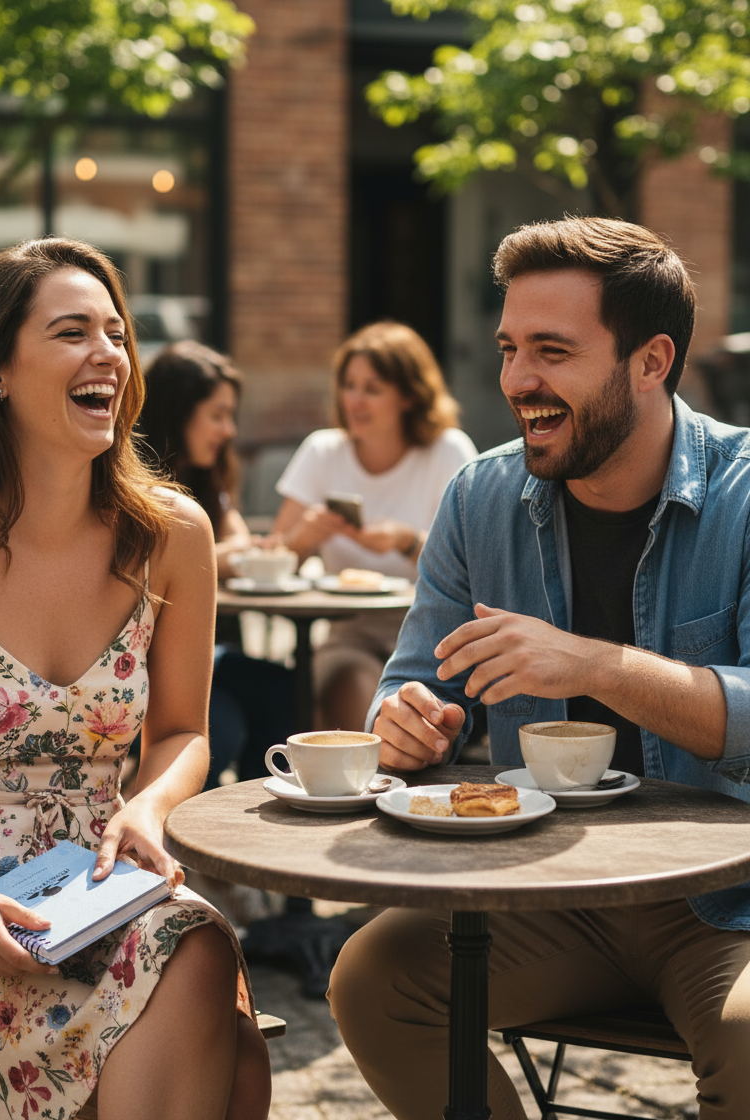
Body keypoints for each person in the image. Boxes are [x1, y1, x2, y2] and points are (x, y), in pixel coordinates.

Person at [0, 238, 271, 1120]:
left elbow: (183, 731)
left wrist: (147, 808)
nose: (108, 353)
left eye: (116, 333)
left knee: (198, 949)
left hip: (99, 882)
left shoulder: (173, 535)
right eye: (72, 333)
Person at [327, 215, 750, 1120]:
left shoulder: (745, 494)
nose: (519, 381)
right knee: (372, 979)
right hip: (551, 889)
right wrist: (407, 724)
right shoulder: (481, 496)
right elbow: (412, 685)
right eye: (511, 348)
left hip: (730, 902)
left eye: (553, 351)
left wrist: (592, 663)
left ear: (653, 360)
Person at [272, 321, 476, 731]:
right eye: (350, 385)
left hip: (435, 639)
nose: (355, 400)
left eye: (373, 388)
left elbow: (478, 565)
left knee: (421, 708)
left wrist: (406, 541)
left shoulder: (447, 451)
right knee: (355, 686)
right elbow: (274, 558)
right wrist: (301, 541)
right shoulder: (323, 451)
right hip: (352, 634)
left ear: (408, 396)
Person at [137, 341, 294, 789]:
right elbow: (227, 555)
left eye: (232, 416)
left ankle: (259, 818)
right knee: (220, 726)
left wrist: (227, 551)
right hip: (138, 666)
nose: (228, 430)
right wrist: (223, 555)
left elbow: (238, 541)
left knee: (280, 687)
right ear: (178, 412)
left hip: (200, 655)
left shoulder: (205, 477)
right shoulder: (131, 480)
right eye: (217, 415)